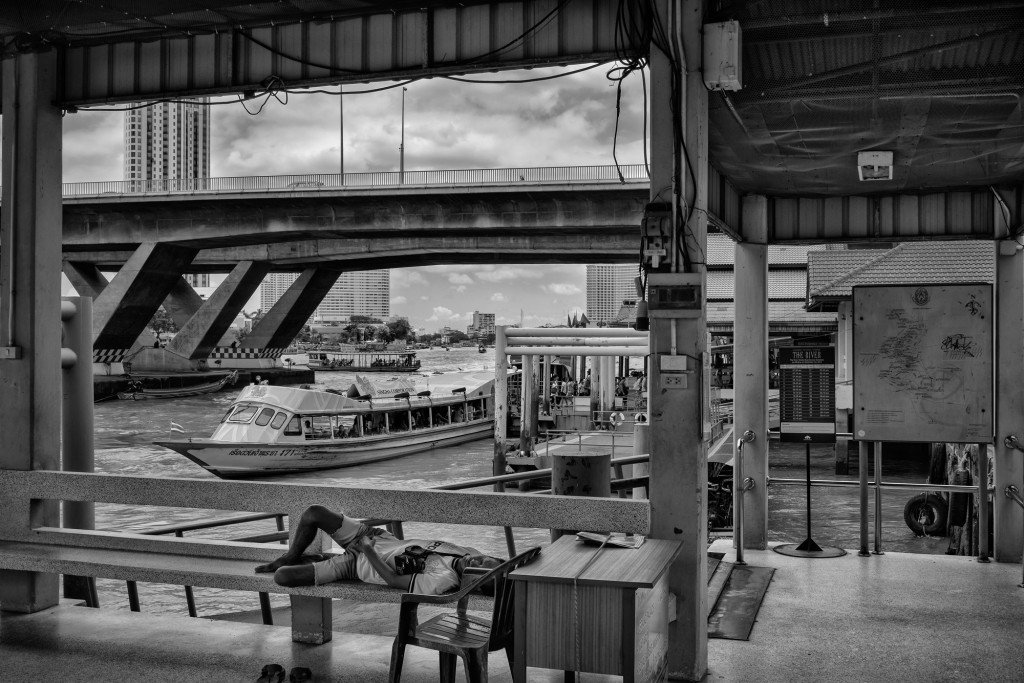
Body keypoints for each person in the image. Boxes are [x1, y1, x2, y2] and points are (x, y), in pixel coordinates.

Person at [254, 505, 503, 595]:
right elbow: (520, 560)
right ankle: (292, 555)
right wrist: (369, 541)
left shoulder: (443, 580)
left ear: (471, 583)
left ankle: (307, 561)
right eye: (486, 559)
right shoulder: (468, 552)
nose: (478, 559)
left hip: (357, 564)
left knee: (282, 577)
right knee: (313, 513)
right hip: (376, 537)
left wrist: (367, 551)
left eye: (479, 568)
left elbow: (393, 581)